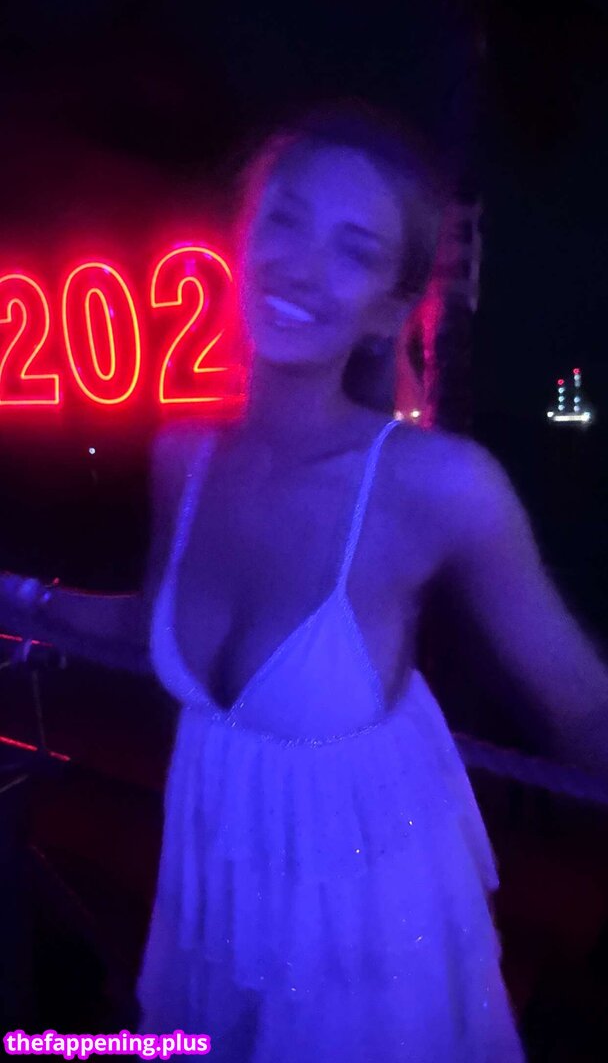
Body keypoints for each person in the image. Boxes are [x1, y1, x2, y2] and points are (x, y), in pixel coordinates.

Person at [2, 98, 608, 1061]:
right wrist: (21, 598)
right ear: (242, 239)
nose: (303, 266)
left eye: (355, 250)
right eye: (285, 220)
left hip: (373, 947)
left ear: (387, 312)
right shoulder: (186, 455)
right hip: (216, 911)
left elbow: (581, 707)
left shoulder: (433, 486)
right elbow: (154, 625)